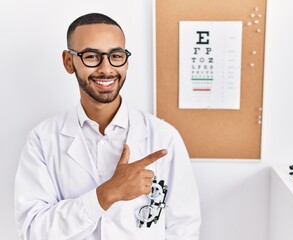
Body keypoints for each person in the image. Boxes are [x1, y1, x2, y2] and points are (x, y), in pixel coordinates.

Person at [14, 13, 201, 239]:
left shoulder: (163, 137)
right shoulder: (43, 140)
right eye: (91, 56)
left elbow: (184, 229)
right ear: (68, 61)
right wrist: (106, 195)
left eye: (116, 55)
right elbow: (34, 230)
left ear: (126, 61)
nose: (106, 68)